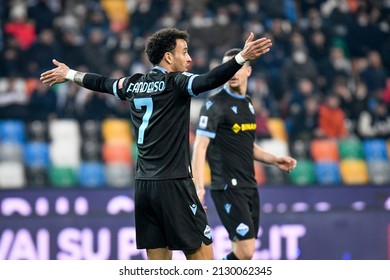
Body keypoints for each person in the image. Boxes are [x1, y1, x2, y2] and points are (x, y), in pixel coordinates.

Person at [40, 28, 273, 260]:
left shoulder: (133, 84)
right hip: (174, 184)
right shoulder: (176, 82)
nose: (190, 58)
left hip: (144, 186)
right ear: (169, 57)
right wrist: (241, 58)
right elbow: (209, 80)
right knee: (203, 261)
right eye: (184, 52)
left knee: (158, 266)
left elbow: (101, 82)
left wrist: (69, 74)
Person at [192, 48, 296, 260]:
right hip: (228, 186)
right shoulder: (214, 105)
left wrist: (275, 160)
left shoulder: (247, 103)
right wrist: (199, 186)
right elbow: (200, 146)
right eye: (228, 68)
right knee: (246, 250)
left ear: (248, 71)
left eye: (238, 67)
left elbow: (247, 145)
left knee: (243, 253)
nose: (233, 72)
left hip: (249, 184)